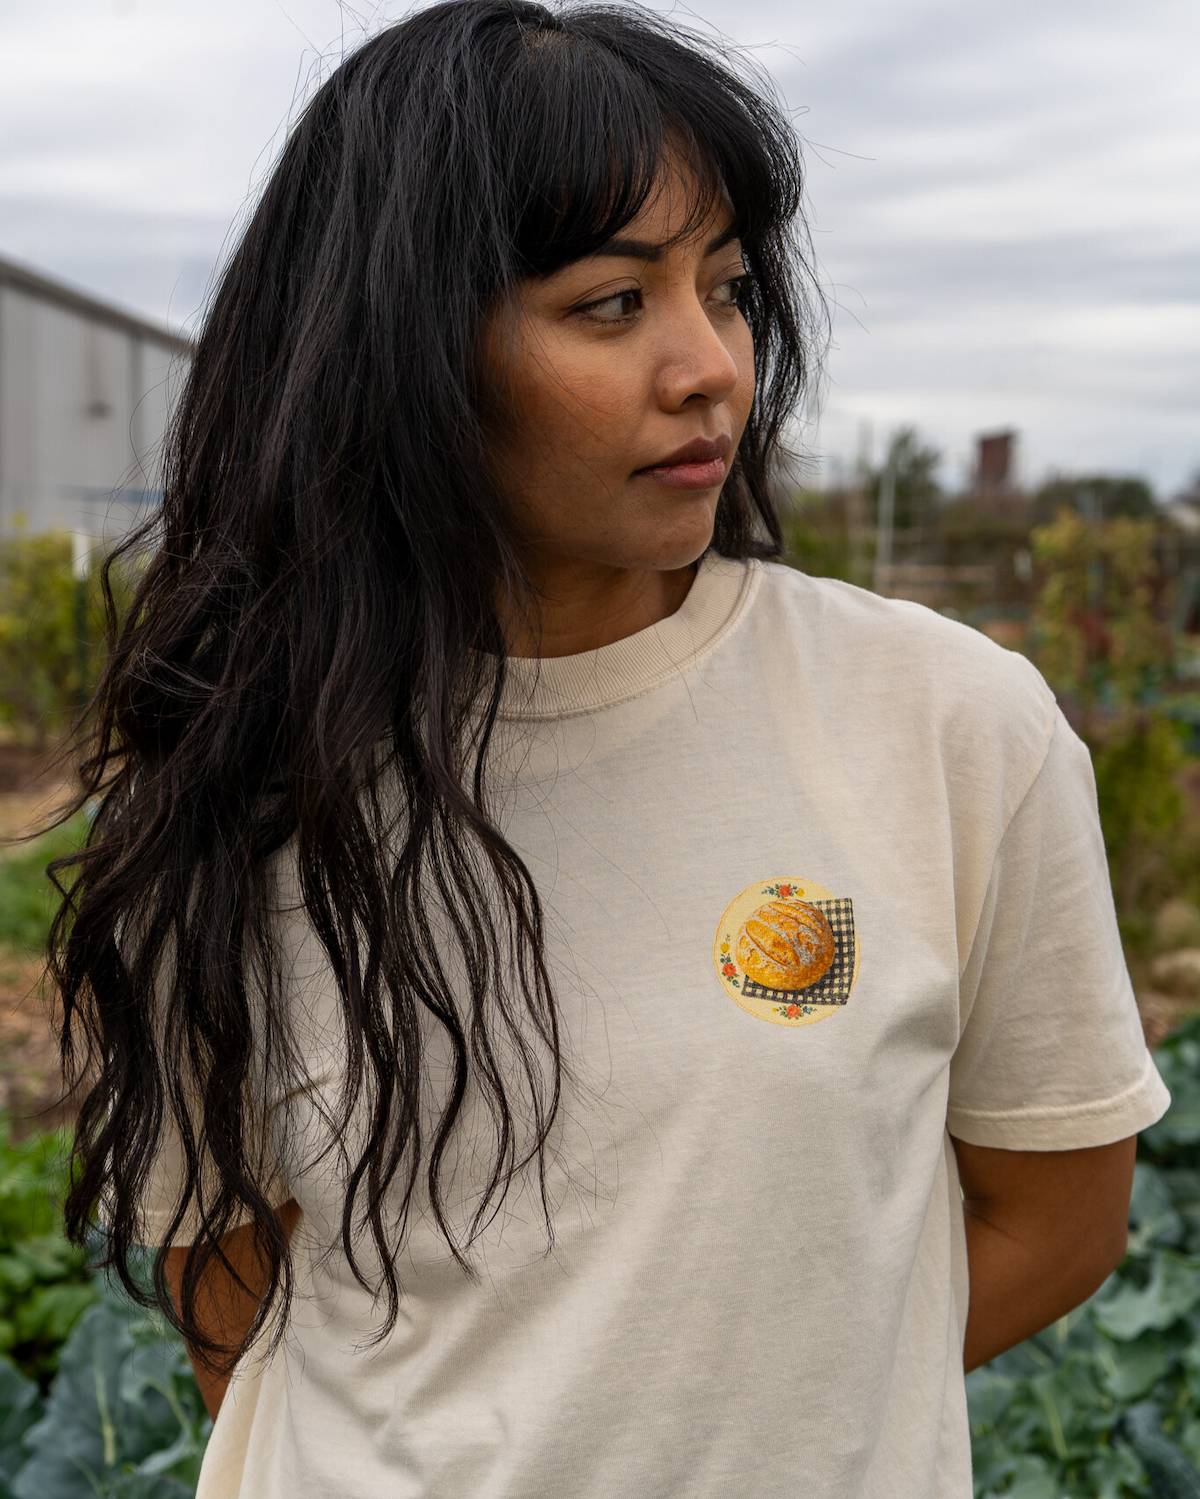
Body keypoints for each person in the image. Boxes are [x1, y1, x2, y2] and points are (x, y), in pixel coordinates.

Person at [32, 1, 1170, 1495]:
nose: (713, 366)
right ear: (407, 354)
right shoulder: (240, 786)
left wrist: (736, 1424)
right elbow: (237, 1304)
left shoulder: (947, 722)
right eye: (612, 303)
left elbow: (1056, 1217)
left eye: (731, 288)